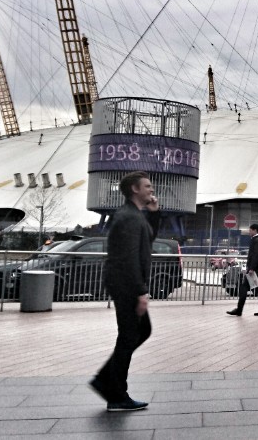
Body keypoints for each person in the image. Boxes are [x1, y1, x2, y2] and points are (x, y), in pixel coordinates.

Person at [89, 171, 161, 412]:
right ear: (135, 189)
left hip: (124, 284)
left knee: (136, 333)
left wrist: (154, 214)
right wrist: (140, 291)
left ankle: (108, 383)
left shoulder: (134, 215)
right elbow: (129, 257)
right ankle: (114, 392)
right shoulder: (128, 217)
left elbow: (147, 240)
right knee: (131, 335)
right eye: (147, 186)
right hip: (126, 285)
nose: (152, 189)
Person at [227, 223, 258, 316]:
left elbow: (257, 255)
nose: (249, 232)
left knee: (244, 287)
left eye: (250, 230)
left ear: (255, 230)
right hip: (256, 269)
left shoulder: (257, 240)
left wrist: (251, 268)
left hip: (255, 270)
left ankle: (239, 309)